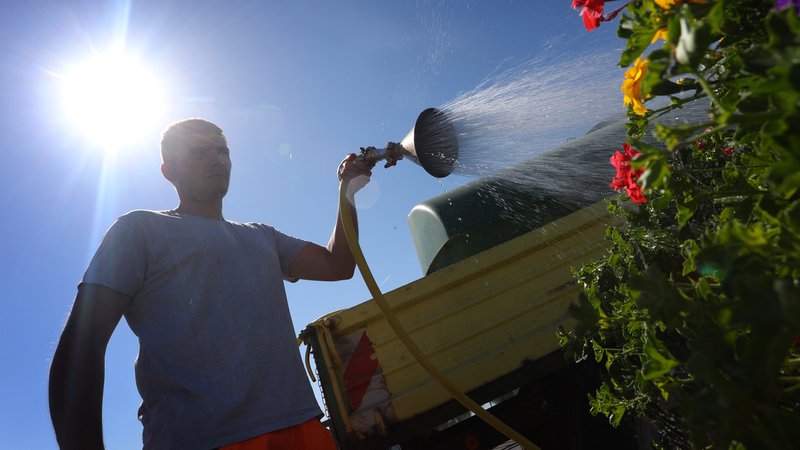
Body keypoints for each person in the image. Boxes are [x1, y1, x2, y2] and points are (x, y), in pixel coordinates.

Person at [49, 118, 374, 450]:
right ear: (169, 171)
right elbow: (81, 347)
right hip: (203, 439)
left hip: (302, 428)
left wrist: (347, 190)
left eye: (222, 151)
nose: (217, 159)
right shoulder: (139, 230)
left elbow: (338, 264)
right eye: (199, 152)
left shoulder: (262, 236)